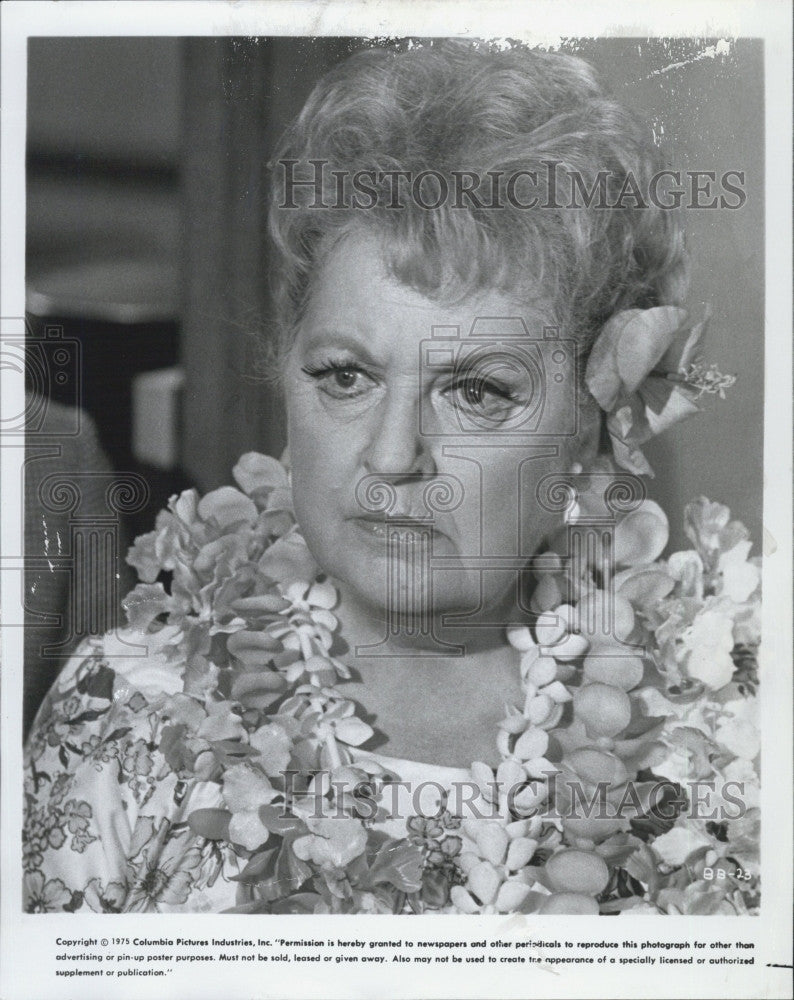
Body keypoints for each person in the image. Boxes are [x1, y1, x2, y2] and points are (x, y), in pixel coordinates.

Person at [24, 41, 755, 916]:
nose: (391, 456)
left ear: (586, 427)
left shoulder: (727, 740)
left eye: (477, 390)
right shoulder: (120, 714)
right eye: (346, 376)